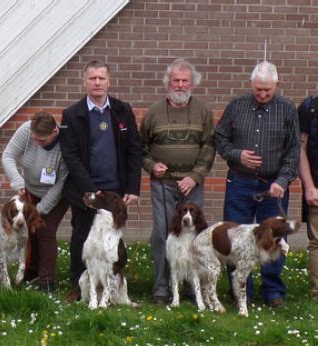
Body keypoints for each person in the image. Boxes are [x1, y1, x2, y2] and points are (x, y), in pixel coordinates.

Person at [214, 61, 300, 307]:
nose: (262, 95)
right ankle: (241, 291)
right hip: (239, 182)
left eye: (267, 90)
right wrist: (237, 154)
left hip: (273, 185)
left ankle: (273, 291)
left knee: (274, 236)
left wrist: (283, 180)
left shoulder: (286, 109)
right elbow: (219, 138)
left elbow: (294, 148)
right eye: (258, 89)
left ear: (276, 85)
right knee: (236, 238)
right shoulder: (237, 105)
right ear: (251, 85)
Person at [59, 59, 142, 300]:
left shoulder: (122, 110)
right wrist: (91, 192)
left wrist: (132, 187)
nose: (97, 82)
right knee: (82, 238)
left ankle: (114, 288)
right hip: (86, 191)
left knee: (113, 241)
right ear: (84, 82)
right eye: (92, 78)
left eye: (101, 78)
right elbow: (71, 156)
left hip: (116, 191)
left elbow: (134, 150)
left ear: (109, 81)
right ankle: (79, 286)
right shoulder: (72, 114)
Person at [139, 58, 215, 305]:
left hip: (192, 187)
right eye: (176, 80)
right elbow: (141, 148)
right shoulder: (153, 112)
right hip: (163, 185)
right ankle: (162, 288)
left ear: (192, 83)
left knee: (194, 237)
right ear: (167, 82)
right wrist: (152, 166)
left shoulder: (203, 111)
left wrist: (194, 177)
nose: (180, 85)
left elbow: (209, 148)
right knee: (163, 235)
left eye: (185, 81)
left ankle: (192, 288)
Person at [2, 111, 69, 292]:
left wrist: (40, 209)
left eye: (43, 140)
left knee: (45, 231)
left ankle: (46, 282)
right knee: (29, 231)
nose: (37, 143)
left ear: (54, 131)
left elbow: (62, 182)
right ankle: (32, 272)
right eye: (35, 138)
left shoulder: (65, 143)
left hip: (57, 193)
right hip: (30, 188)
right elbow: (8, 156)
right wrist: (17, 181)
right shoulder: (26, 131)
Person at [297, 95, 318, 301]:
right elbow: (300, 150)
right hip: (316, 187)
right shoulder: (310, 107)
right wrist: (309, 186)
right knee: (317, 243)